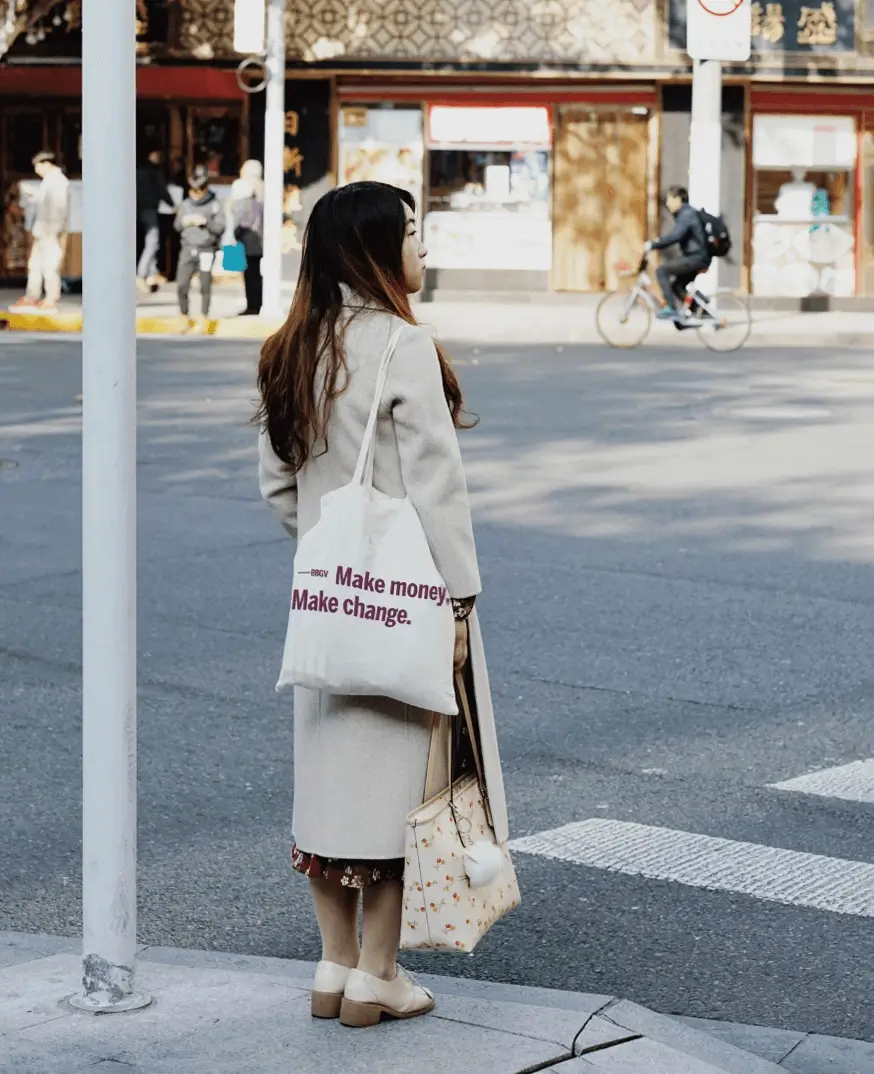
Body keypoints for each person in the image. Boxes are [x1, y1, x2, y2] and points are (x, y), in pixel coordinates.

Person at [255, 181, 509, 1028]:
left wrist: (334, 554)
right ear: (372, 249)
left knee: (326, 793)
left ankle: (330, 969)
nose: (422, 248)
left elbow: (278, 485)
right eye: (410, 232)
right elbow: (439, 489)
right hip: (408, 603)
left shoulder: (289, 346)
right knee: (402, 791)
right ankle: (379, 975)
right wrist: (459, 603)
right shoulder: (403, 345)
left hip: (327, 602)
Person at [10, 151, 70, 314]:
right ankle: (32, 296)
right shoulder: (49, 182)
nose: (36, 170)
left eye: (37, 166)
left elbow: (59, 208)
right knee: (35, 265)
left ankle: (51, 297)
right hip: (42, 229)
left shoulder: (58, 182)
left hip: (50, 229)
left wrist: (54, 229)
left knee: (50, 265)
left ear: (46, 164)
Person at [646, 186, 711, 324]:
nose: (667, 204)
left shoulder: (686, 214)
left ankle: (670, 308)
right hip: (697, 257)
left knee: (661, 271)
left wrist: (653, 245)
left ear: (678, 199)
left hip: (696, 258)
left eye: (670, 199)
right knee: (677, 287)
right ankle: (703, 313)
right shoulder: (686, 213)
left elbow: (675, 236)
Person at [174, 164, 225, 330]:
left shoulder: (215, 204)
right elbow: (177, 226)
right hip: (188, 248)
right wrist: (184, 222)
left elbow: (220, 227)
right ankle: (184, 315)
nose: (196, 193)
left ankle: (203, 315)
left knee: (205, 285)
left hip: (206, 248)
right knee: (182, 284)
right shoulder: (185, 204)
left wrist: (205, 222)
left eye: (200, 189)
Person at [229, 159, 264, 315]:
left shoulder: (245, 187)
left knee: (251, 274)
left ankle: (253, 305)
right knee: (256, 274)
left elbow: (245, 217)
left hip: (250, 238)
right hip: (262, 238)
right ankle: (256, 303)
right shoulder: (265, 187)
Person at [136, 147, 172, 293]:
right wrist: (173, 204)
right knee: (153, 241)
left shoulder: (135, 170)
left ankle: (151, 272)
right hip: (149, 209)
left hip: (136, 208)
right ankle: (143, 272)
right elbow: (162, 190)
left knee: (144, 241)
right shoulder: (155, 173)